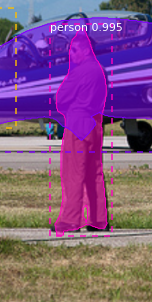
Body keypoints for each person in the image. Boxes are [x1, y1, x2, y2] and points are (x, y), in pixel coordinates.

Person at [53, 30, 109, 237]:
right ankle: (98, 219)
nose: (71, 54)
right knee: (95, 174)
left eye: (74, 50)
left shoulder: (79, 71)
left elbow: (60, 99)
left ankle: (70, 220)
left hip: (77, 125)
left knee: (73, 174)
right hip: (95, 125)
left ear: (86, 50)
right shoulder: (100, 70)